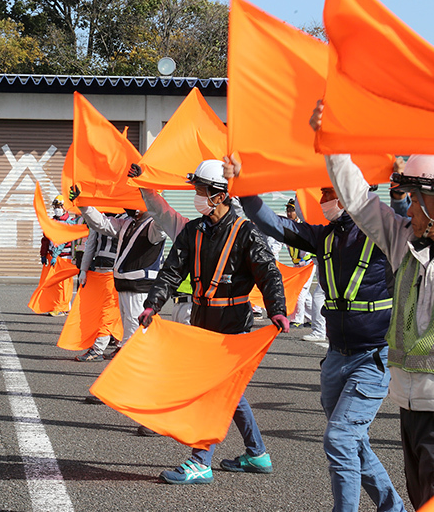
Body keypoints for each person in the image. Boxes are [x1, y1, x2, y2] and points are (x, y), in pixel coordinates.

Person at [228, 156, 405, 512]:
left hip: (372, 358)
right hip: (337, 357)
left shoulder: (386, 234)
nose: (324, 197)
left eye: (330, 190)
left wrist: (400, 193)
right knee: (353, 443)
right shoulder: (324, 235)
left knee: (340, 439)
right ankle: (394, 509)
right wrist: (245, 187)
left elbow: (406, 219)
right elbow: (272, 223)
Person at [135, 159, 288, 485]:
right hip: (202, 320)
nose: (196, 196)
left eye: (201, 190)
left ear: (219, 195)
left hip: (234, 324)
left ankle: (200, 460)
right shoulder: (194, 230)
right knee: (230, 392)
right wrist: (152, 305)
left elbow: (268, 272)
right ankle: (257, 453)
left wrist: (277, 308)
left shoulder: (246, 232)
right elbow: (171, 272)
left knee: (213, 391)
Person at [316, 103, 434, 510]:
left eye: (417, 199)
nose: (410, 208)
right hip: (411, 405)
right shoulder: (404, 241)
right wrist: (334, 142)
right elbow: (358, 198)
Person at [71, 183, 167, 357]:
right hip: (124, 286)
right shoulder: (127, 223)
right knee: (130, 332)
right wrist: (83, 203)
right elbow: (101, 223)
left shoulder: (155, 226)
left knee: (135, 334)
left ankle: (136, 372)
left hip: (139, 289)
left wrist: (149, 194)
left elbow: (162, 219)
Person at [73, 220, 124, 362]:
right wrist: (83, 269)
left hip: (115, 272)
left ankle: (98, 349)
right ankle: (122, 345)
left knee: (108, 312)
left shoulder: (127, 220)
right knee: (106, 311)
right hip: (98, 271)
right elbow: (90, 245)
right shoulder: (100, 219)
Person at [38, 195, 80, 316]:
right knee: (54, 284)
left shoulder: (70, 223)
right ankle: (60, 305)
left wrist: (56, 254)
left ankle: (62, 307)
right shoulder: (51, 222)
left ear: (65, 208)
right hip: (53, 257)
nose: (57, 209)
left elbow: (66, 240)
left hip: (65, 257)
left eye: (59, 206)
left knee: (64, 284)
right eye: (55, 206)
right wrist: (43, 254)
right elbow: (45, 239)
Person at [285, 198, 315, 330]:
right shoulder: (287, 226)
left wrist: (303, 263)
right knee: (306, 293)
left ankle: (297, 320)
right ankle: (312, 318)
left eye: (292, 210)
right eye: (288, 210)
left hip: (307, 263)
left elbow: (306, 248)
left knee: (300, 291)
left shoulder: (302, 227)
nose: (289, 213)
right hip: (298, 265)